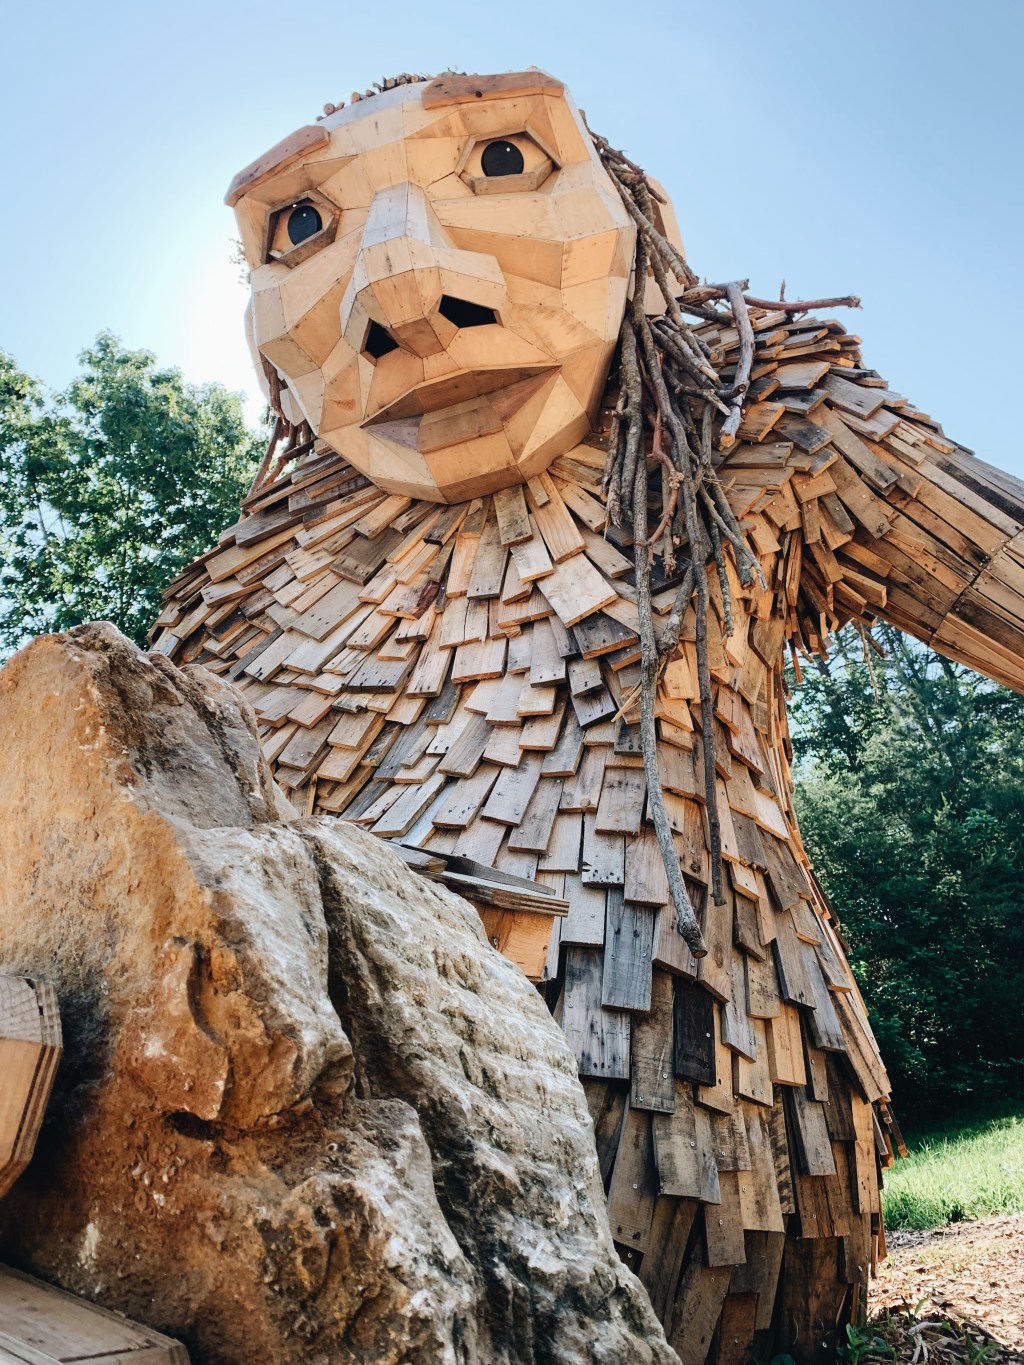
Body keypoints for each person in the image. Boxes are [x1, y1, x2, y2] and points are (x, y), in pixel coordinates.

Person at [152, 69, 1024, 1363]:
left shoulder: (753, 413)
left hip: (678, 1163)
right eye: (298, 227)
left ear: (635, 220)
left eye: (503, 160)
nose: (400, 299)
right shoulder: (241, 579)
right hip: (248, 1152)